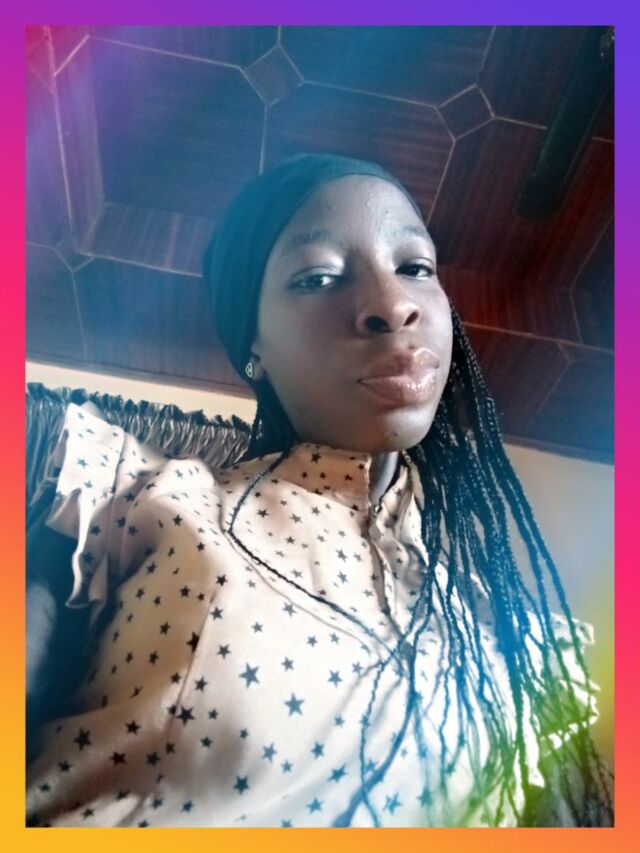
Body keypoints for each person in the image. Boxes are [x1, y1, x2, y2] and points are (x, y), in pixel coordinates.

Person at [26, 153, 612, 828]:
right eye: (319, 277)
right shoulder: (126, 495)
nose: (392, 306)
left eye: (416, 267)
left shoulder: (507, 640)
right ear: (253, 345)